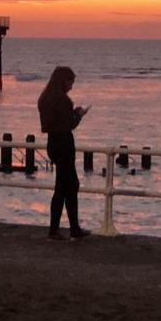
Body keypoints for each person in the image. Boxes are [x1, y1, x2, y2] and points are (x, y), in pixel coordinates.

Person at [38, 66, 91, 241]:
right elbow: (69, 124)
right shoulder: (63, 100)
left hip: (53, 143)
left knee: (66, 186)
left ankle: (69, 228)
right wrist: (79, 115)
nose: (71, 86)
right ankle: (60, 230)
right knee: (66, 186)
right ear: (63, 81)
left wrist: (72, 115)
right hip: (64, 144)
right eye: (70, 82)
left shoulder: (45, 98)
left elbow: (53, 123)